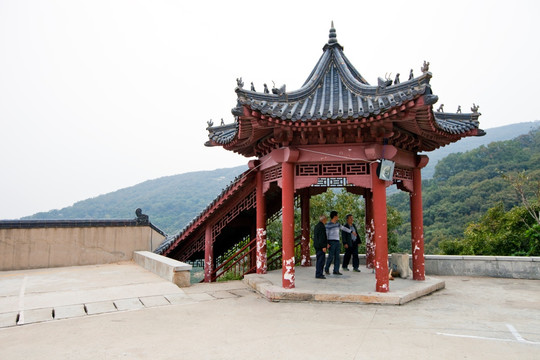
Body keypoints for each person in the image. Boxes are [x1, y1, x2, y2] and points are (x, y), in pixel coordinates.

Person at [325, 211, 352, 275]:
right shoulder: (328, 225)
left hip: (337, 241)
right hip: (331, 241)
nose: (338, 217)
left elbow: (343, 228)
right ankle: (326, 268)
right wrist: (326, 243)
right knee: (331, 256)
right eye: (337, 216)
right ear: (334, 216)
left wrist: (351, 231)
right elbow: (326, 234)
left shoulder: (337, 224)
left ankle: (336, 270)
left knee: (337, 256)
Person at [313, 214, 328, 279]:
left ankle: (318, 273)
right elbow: (322, 238)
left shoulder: (317, 226)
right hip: (320, 246)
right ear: (323, 219)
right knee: (321, 261)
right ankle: (319, 274)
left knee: (319, 260)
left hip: (317, 246)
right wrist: (323, 246)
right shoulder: (321, 227)